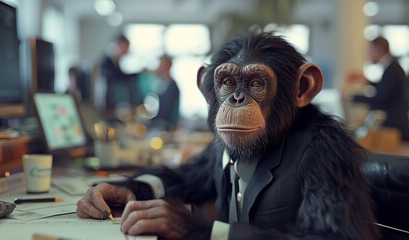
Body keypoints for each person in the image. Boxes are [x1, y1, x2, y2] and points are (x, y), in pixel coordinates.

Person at [76, 31, 379, 239]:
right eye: (228, 84)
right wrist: (132, 188)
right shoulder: (228, 141)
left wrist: (204, 232)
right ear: (207, 88)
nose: (237, 100)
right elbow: (187, 178)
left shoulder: (322, 148)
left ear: (301, 89)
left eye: (257, 84)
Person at [352, 36, 409, 141]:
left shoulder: (393, 70)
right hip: (394, 125)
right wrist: (366, 81)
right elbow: (384, 87)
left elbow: (380, 98)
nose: (367, 55)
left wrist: (352, 97)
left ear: (379, 49)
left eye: (370, 51)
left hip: (395, 127)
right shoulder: (391, 67)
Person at [100, 34, 139, 116]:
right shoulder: (107, 63)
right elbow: (117, 78)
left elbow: (121, 76)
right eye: (126, 47)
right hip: (108, 105)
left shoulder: (116, 62)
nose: (127, 51)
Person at [149, 55, 180, 131]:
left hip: (166, 126)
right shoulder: (158, 83)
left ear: (167, 66)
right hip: (155, 124)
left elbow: (174, 111)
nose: (158, 67)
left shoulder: (173, 87)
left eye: (161, 64)